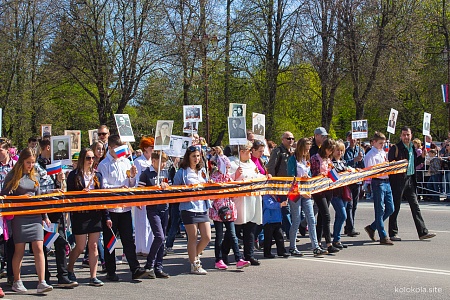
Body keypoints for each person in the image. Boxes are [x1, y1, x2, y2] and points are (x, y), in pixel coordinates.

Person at [1, 148, 53, 294]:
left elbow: (39, 198)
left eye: (33, 162)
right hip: (19, 218)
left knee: (39, 248)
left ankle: (42, 281)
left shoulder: (34, 176)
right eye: (28, 162)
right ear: (22, 161)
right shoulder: (12, 176)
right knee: (20, 251)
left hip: (35, 216)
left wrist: (45, 216)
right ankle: (17, 281)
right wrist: (20, 199)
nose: (31, 165)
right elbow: (4, 196)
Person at [97, 135, 149, 281]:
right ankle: (111, 270)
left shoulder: (126, 162)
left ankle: (135, 268)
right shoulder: (104, 164)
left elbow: (131, 184)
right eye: (117, 149)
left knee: (128, 240)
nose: (121, 153)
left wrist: (132, 176)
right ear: (111, 148)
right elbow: (103, 186)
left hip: (124, 208)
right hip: (111, 208)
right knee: (111, 241)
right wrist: (118, 188)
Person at [36, 139, 78, 288]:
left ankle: (62, 275)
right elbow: (37, 189)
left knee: (61, 242)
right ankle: (44, 275)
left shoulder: (55, 164)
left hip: (57, 208)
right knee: (45, 244)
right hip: (44, 210)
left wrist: (60, 181)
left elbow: (59, 187)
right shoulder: (36, 166)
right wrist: (51, 191)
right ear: (48, 147)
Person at [387, 126, 436, 241]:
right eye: (404, 135)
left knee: (415, 206)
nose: (406, 137)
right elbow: (390, 164)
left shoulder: (412, 148)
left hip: (410, 180)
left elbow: (413, 163)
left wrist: (422, 157)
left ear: (411, 135)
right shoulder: (396, 148)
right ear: (400, 135)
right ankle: (392, 232)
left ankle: (422, 232)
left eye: (408, 135)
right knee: (396, 207)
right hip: (398, 181)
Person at [66, 148, 106, 286]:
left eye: (92, 158)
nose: (91, 161)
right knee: (80, 246)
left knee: (94, 245)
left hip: (95, 213)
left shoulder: (98, 175)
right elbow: (69, 194)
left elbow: (102, 196)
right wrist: (80, 193)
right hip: (80, 213)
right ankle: (69, 269)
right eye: (88, 158)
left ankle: (93, 276)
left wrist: (106, 216)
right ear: (82, 159)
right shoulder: (74, 175)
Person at [209, 147, 250, 270]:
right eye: (226, 167)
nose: (227, 169)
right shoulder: (215, 177)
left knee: (233, 234)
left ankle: (239, 259)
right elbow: (212, 194)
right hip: (218, 211)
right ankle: (218, 259)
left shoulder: (228, 178)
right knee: (219, 236)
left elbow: (232, 192)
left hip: (229, 209)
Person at [173, 146, 211, 274]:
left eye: (198, 156)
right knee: (193, 237)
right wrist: (185, 189)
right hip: (188, 207)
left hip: (202, 206)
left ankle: (194, 255)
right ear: (188, 157)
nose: (196, 158)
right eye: (194, 156)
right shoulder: (182, 172)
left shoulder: (202, 171)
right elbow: (175, 188)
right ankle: (194, 264)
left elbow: (206, 185)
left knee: (207, 237)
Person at [230, 141, 269, 266]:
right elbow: (228, 180)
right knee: (235, 229)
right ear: (241, 152)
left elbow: (256, 176)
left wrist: (264, 177)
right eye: (248, 150)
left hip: (252, 199)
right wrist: (235, 175)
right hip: (240, 200)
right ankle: (223, 253)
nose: (250, 152)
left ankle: (249, 255)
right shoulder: (233, 163)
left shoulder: (251, 163)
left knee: (250, 228)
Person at [287, 138, 328, 257]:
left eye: (308, 149)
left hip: (306, 191)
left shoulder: (306, 160)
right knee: (296, 220)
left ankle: (315, 246)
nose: (307, 151)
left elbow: (308, 174)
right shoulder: (292, 160)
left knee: (311, 218)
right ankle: (292, 246)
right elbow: (291, 177)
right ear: (300, 148)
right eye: (305, 148)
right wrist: (300, 186)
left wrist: (310, 177)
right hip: (296, 192)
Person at [138, 151, 170, 279]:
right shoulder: (146, 174)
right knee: (159, 236)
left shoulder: (165, 172)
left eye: (165, 161)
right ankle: (149, 264)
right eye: (161, 161)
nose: (163, 164)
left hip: (165, 207)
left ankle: (158, 267)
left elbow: (170, 186)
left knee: (163, 239)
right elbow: (141, 191)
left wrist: (166, 186)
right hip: (153, 208)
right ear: (154, 161)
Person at [364, 132, 395, 245]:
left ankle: (372, 227)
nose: (383, 145)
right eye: (380, 143)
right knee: (379, 209)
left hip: (386, 181)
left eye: (384, 142)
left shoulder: (383, 152)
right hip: (378, 182)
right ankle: (383, 236)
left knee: (391, 208)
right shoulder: (370, 155)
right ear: (374, 142)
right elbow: (369, 171)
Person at [310, 138, 340, 253]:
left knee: (322, 217)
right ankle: (328, 243)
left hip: (328, 189)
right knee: (327, 216)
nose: (330, 152)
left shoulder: (328, 159)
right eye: (329, 149)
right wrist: (319, 175)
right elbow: (312, 173)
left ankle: (318, 241)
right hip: (319, 190)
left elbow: (333, 172)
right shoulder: (315, 158)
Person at [266, 132, 294, 240]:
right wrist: (272, 184)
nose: (290, 140)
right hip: (280, 185)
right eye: (288, 138)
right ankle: (290, 233)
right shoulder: (277, 151)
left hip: (290, 185)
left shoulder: (292, 152)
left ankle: (286, 231)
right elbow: (271, 167)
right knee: (285, 208)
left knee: (290, 209)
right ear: (282, 139)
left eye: (292, 138)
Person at [134, 137, 155, 257]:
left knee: (150, 222)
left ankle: (149, 247)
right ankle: (141, 247)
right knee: (142, 223)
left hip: (152, 195)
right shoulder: (138, 161)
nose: (153, 149)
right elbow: (137, 180)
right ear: (145, 148)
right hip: (142, 193)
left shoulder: (153, 160)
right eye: (151, 147)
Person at [330, 141, 352, 249]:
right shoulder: (331, 162)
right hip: (335, 193)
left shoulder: (343, 162)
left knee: (339, 216)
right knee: (343, 215)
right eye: (338, 150)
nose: (340, 152)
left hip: (344, 191)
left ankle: (337, 239)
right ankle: (336, 238)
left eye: (342, 150)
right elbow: (333, 176)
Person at [343, 133, 365, 237]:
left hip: (357, 180)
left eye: (355, 138)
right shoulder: (345, 150)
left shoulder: (360, 150)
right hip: (348, 180)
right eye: (351, 138)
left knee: (354, 205)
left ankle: (348, 226)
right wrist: (354, 160)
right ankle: (350, 227)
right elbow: (343, 163)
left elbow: (363, 165)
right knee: (349, 204)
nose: (353, 140)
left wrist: (361, 160)